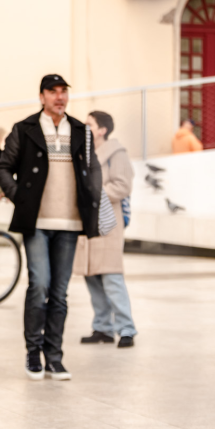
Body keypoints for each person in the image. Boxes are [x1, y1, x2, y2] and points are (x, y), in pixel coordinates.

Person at [0, 74, 103, 381]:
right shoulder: (25, 128)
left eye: (63, 92)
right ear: (42, 96)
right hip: (37, 223)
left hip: (70, 223)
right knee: (39, 284)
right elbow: (3, 168)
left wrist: (92, 202)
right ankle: (33, 352)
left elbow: (92, 169)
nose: (59, 97)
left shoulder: (81, 130)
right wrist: (21, 198)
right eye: (53, 92)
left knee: (59, 292)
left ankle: (54, 357)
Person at [76, 111, 137, 348]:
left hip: (108, 222)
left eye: (89, 124)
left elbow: (123, 186)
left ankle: (126, 329)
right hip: (88, 222)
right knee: (92, 275)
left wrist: (93, 194)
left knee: (111, 275)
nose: (84, 127)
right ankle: (102, 327)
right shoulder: (84, 153)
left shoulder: (116, 153)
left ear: (102, 130)